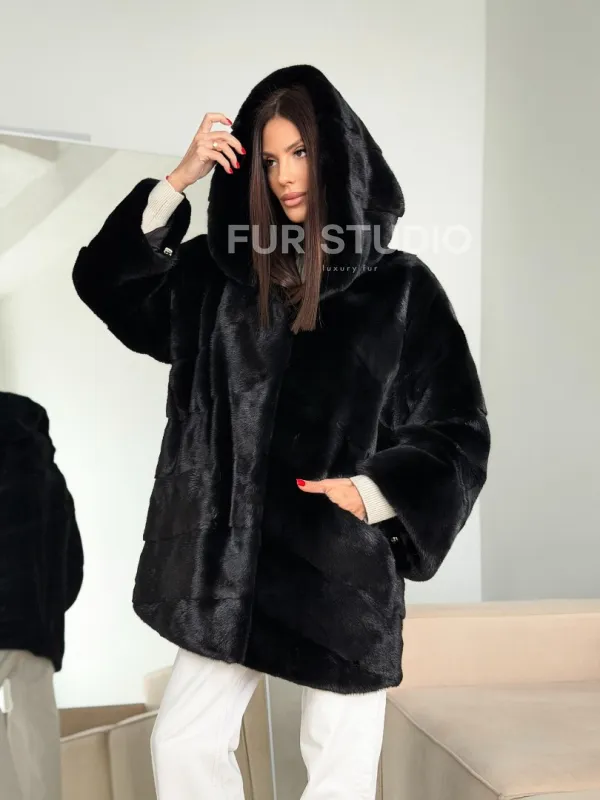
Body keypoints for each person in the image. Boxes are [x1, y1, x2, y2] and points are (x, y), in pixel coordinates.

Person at [72, 64, 490, 800]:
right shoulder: (217, 278)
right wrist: (176, 182)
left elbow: (458, 429)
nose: (286, 176)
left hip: (341, 564)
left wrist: (373, 494)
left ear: (338, 157)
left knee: (337, 768)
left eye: (299, 152)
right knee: (183, 743)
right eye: (268, 160)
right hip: (224, 567)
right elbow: (112, 288)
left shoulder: (399, 287)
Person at [0, 391, 84, 800]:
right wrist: (47, 611)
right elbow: (71, 563)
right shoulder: (51, 478)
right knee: (35, 736)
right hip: (36, 632)